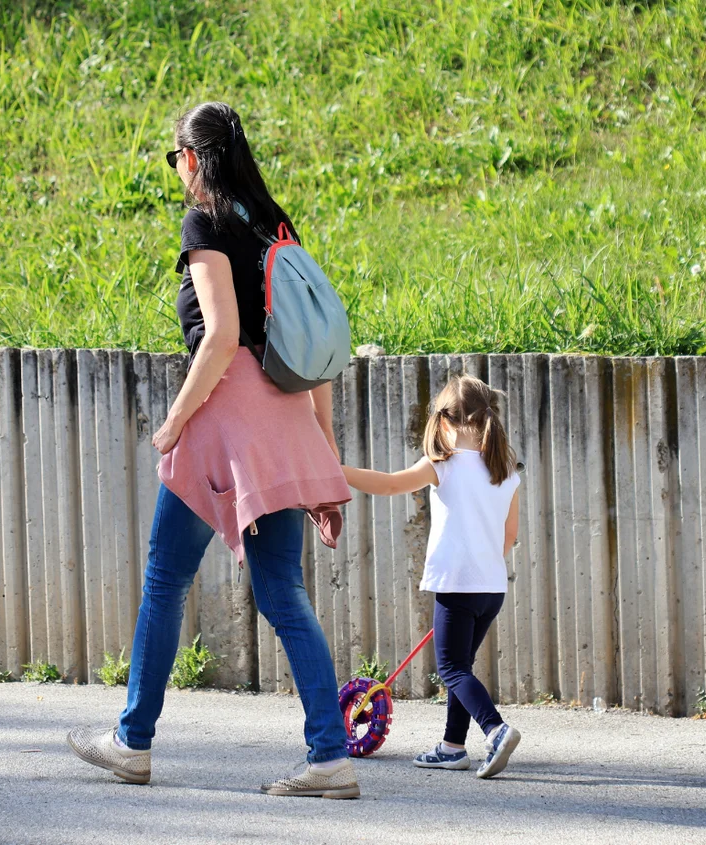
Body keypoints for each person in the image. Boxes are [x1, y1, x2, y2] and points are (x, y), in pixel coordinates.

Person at [67, 101, 359, 800]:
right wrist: (319, 458)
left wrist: (175, 420)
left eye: (176, 160)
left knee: (165, 577)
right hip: (286, 417)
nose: (177, 173)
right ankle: (330, 755)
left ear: (192, 160)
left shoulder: (204, 223)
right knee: (283, 591)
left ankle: (133, 741)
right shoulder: (276, 224)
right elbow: (311, 354)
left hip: (225, 419)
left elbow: (221, 335)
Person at [341, 375, 523, 779]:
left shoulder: (443, 464)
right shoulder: (507, 471)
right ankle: (452, 747)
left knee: (451, 668)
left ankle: (495, 730)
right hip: (491, 587)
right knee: (463, 666)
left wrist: (338, 471)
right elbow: (509, 536)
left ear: (443, 422)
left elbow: (389, 485)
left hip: (456, 584)